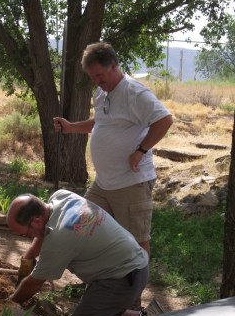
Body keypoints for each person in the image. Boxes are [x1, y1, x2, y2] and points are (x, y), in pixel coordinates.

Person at [53, 42, 173, 258]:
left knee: (136, 241)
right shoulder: (101, 93)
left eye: (100, 75)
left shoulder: (134, 93)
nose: (97, 81)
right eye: (93, 77)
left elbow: (164, 120)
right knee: (85, 228)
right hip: (103, 183)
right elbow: (101, 123)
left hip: (131, 183)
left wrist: (141, 150)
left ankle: (134, 290)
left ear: (114, 66)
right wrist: (71, 128)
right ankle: (101, 284)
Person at [7, 189, 149, 316]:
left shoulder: (59, 240)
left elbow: (34, 284)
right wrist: (29, 257)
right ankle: (143, 314)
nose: (26, 237)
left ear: (36, 221)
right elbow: (44, 233)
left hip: (123, 278)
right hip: (135, 264)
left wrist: (10, 303)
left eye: (24, 234)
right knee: (100, 310)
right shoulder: (61, 197)